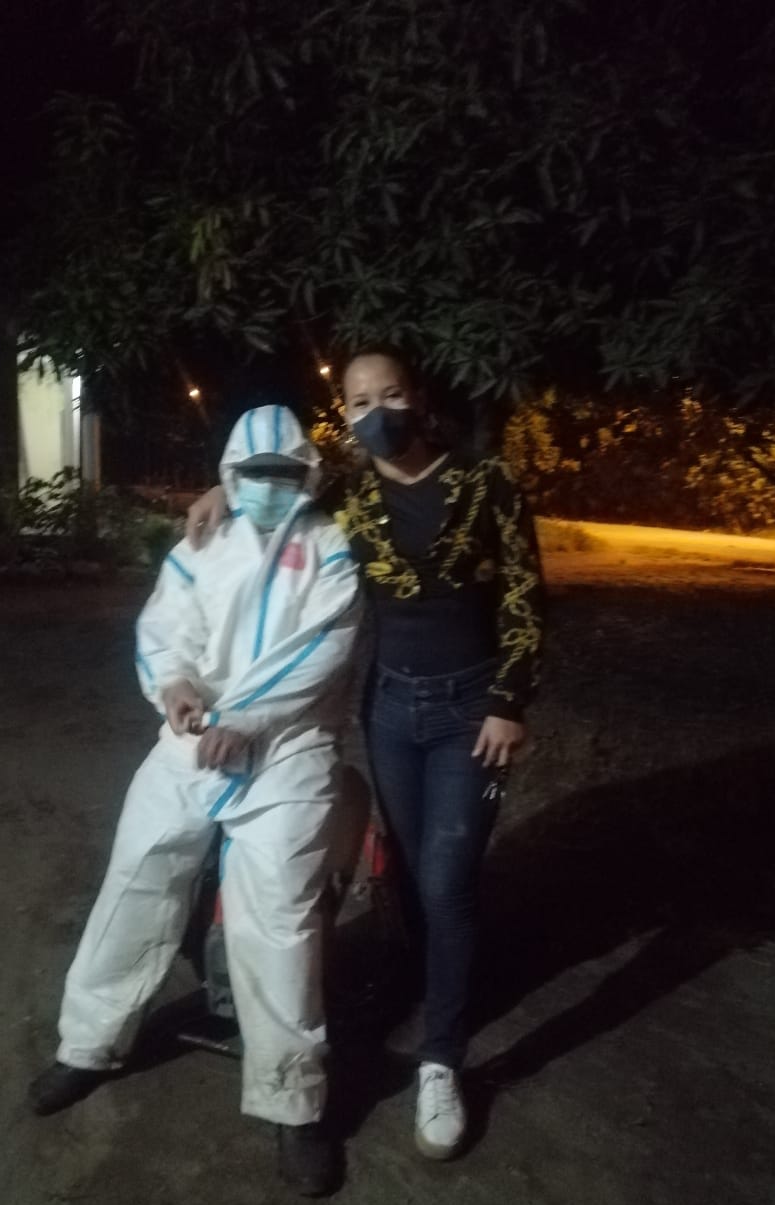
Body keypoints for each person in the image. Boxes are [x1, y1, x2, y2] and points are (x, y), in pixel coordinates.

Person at [187, 349, 544, 1160]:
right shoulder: (348, 498)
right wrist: (221, 490)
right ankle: (416, 981)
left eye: (390, 394)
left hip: (470, 712)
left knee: (448, 880)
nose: (376, 411)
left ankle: (442, 1060)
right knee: (413, 871)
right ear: (343, 415)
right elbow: (275, 499)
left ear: (418, 397)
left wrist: (510, 700)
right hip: (391, 708)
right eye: (357, 401)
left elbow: (526, 594)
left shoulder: (485, 483)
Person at [28, 405, 362, 1197]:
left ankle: (293, 1102)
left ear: (309, 476)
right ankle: (87, 1044)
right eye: (255, 474)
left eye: (285, 474)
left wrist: (247, 720)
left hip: (288, 752)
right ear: (228, 476)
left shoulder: (331, 547)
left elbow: (325, 647)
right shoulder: (203, 541)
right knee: (137, 876)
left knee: (277, 920)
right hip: (191, 743)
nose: (269, 487)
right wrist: (174, 685)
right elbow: (163, 627)